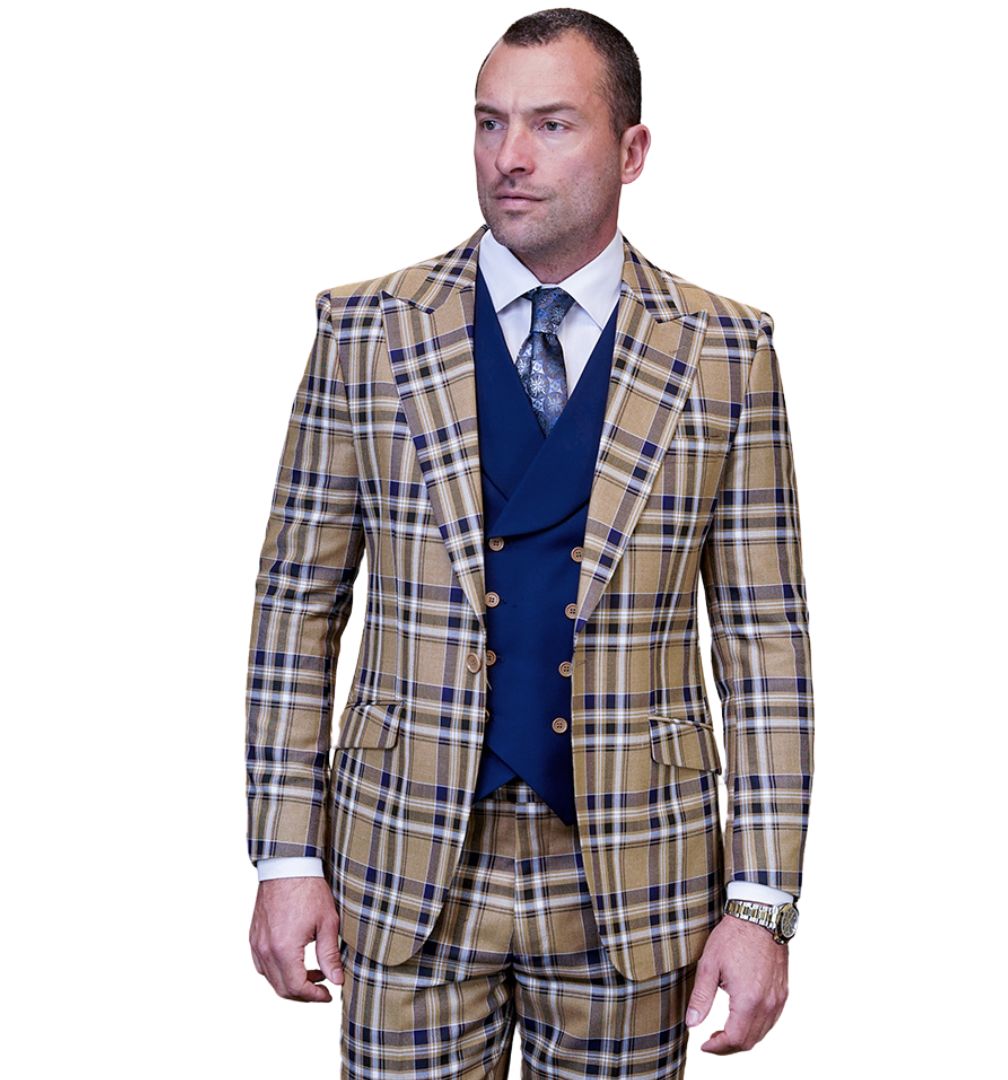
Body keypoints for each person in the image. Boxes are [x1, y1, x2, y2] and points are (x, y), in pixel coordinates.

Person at [245, 8, 814, 1077]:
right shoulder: (366, 330)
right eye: (489, 122)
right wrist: (284, 853)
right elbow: (296, 605)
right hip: (402, 854)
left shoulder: (725, 352)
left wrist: (761, 902)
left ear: (631, 150)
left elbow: (765, 645)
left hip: (638, 870)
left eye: (552, 125)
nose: (509, 157)